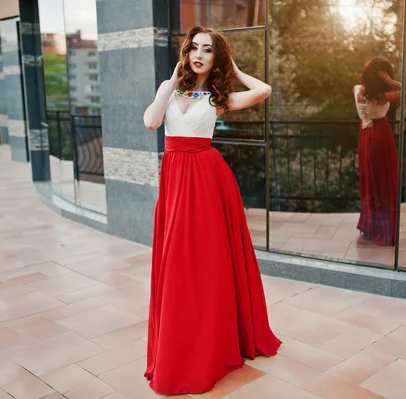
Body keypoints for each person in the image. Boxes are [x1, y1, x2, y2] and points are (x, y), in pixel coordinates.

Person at [142, 26, 281, 395]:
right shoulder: (168, 89)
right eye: (195, 48)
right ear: (186, 53)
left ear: (216, 57)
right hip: (175, 180)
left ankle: (212, 339)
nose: (199, 54)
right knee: (175, 260)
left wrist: (234, 70)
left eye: (208, 50)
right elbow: (151, 121)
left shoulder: (219, 96)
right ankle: (181, 338)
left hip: (206, 180)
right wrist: (171, 81)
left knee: (207, 259)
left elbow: (263, 91)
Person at [353, 57, 401, 246]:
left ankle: (370, 226)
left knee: (370, 179)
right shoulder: (382, 96)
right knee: (383, 179)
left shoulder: (358, 89)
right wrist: (392, 83)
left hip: (365, 134)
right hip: (380, 134)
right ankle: (382, 228)